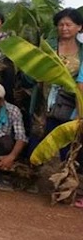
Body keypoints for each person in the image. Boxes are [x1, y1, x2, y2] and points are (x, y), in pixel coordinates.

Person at [42, 8, 83, 157]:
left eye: (69, 25)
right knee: (41, 139)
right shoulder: (47, 46)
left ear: (79, 27)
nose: (64, 28)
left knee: (68, 142)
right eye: (61, 24)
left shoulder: (82, 50)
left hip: (72, 101)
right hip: (45, 99)